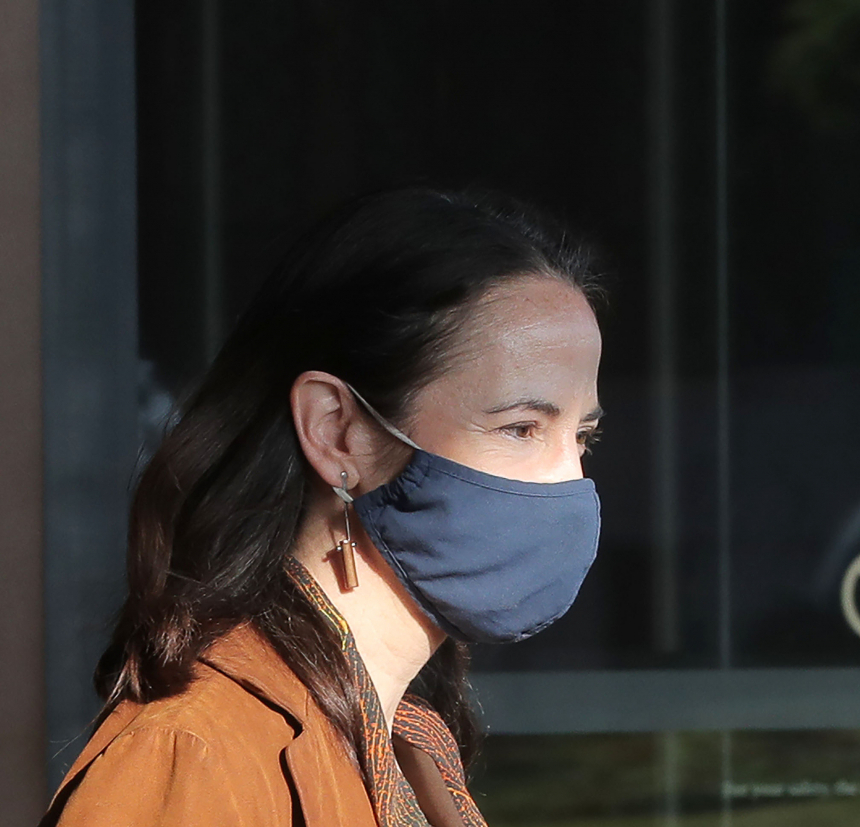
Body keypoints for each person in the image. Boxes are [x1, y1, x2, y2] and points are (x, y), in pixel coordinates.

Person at [41, 186, 606, 826]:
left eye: (583, 437)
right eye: (521, 428)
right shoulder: (195, 755)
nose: (571, 479)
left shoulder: (409, 744)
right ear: (336, 430)